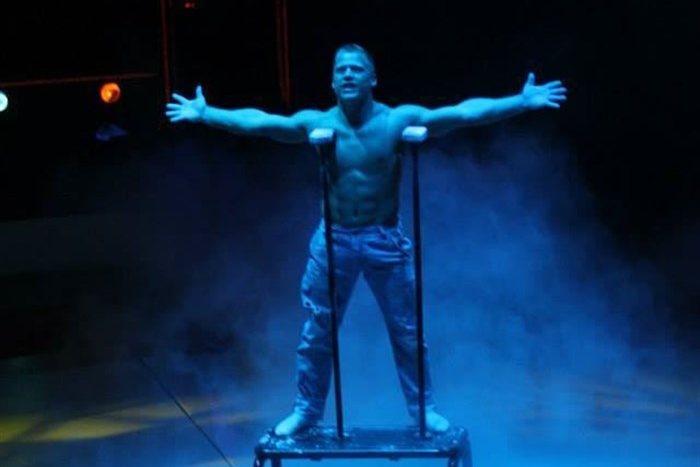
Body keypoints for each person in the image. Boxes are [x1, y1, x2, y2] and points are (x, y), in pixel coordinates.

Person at [166, 43, 567, 437]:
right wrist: (206, 113)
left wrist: (520, 101)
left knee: (406, 331)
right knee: (317, 332)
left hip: (383, 239)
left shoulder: (395, 121)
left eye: (356, 68)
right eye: (340, 69)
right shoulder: (318, 123)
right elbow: (260, 123)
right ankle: (307, 411)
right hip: (334, 239)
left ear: (372, 78)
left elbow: (462, 113)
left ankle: (423, 411)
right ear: (332, 82)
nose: (347, 74)